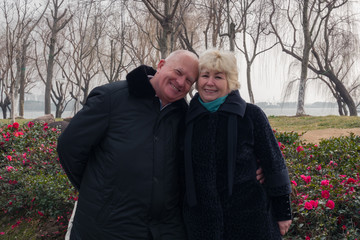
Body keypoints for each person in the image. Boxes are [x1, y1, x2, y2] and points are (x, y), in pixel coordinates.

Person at [57, 50, 199, 240]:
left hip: (164, 230)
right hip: (106, 228)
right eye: (178, 72)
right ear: (161, 65)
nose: (181, 82)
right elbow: (69, 147)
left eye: (189, 80)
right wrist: (100, 191)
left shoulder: (185, 116)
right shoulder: (111, 98)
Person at [183, 49, 292, 240]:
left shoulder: (251, 115)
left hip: (252, 221)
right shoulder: (186, 119)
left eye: (218, 77)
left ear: (230, 82)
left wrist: (283, 213)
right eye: (205, 76)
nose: (210, 83)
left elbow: (274, 163)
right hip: (201, 223)